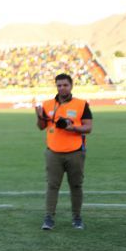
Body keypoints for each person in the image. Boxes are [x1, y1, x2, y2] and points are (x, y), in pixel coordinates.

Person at [35, 73, 93, 230]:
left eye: (65, 85)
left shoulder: (81, 104)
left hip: (75, 152)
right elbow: (41, 127)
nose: (62, 88)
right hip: (53, 152)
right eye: (59, 85)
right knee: (52, 186)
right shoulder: (47, 104)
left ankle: (77, 218)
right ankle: (49, 218)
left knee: (76, 186)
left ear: (71, 86)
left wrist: (72, 128)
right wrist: (39, 117)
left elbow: (88, 127)